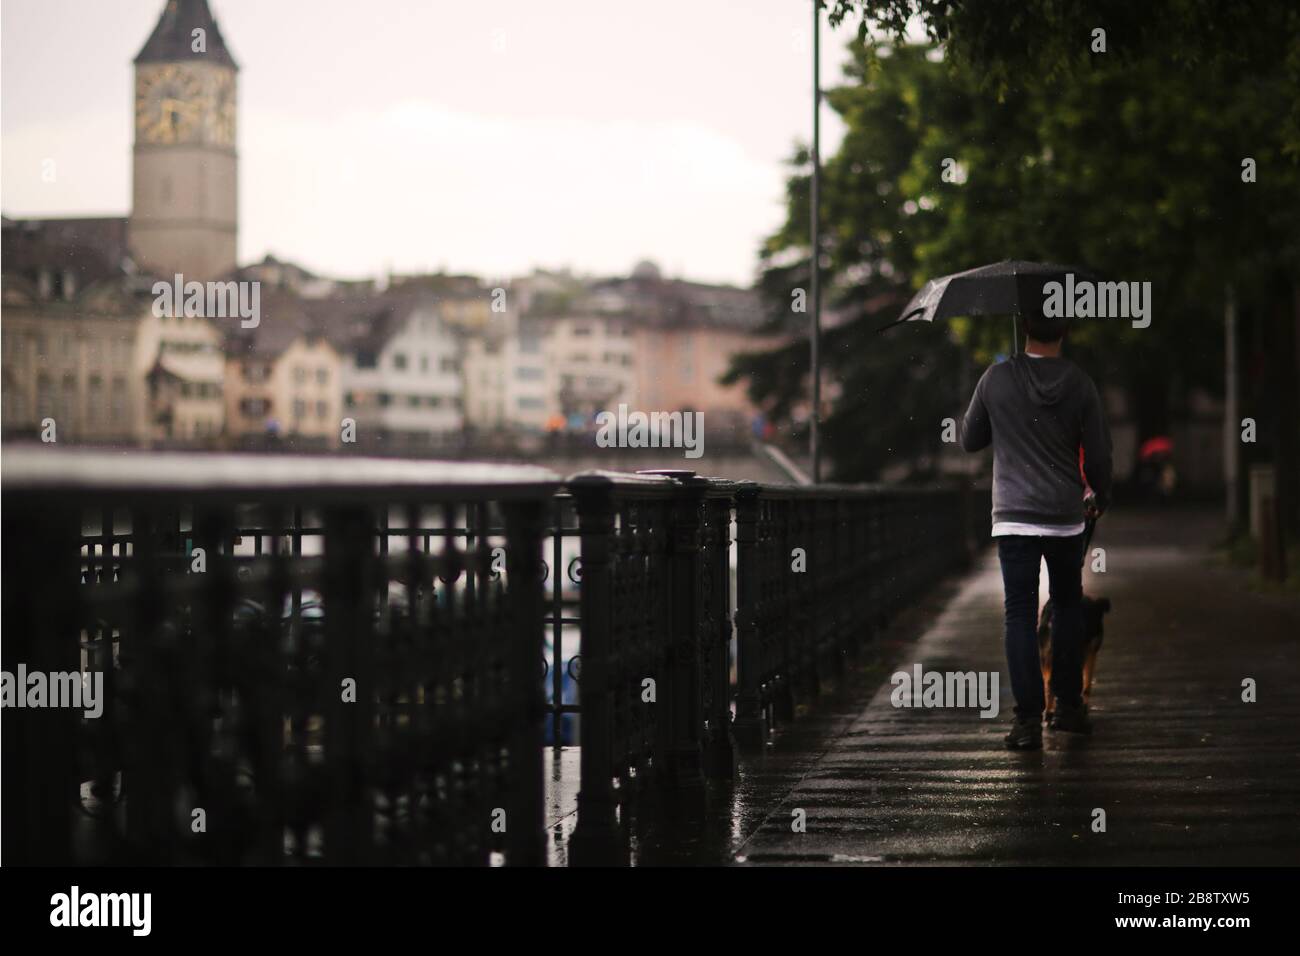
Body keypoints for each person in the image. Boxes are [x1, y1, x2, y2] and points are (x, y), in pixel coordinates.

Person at [959, 309, 1113, 750]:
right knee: (1066, 605)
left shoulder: (995, 378)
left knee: (1020, 613)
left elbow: (971, 439)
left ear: (1024, 326)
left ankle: (1027, 720)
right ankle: (1067, 706)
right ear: (1065, 330)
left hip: (1013, 516)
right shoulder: (1080, 382)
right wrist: (1100, 495)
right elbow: (1099, 454)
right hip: (1065, 516)